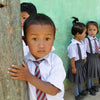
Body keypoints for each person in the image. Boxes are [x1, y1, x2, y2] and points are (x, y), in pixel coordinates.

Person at [8, 14, 66, 100]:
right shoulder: (23, 62)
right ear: (25, 41)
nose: (41, 45)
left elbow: (53, 90)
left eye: (47, 39)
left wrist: (28, 77)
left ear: (53, 40)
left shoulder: (55, 61)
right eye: (35, 39)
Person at [66, 17, 88, 100]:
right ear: (78, 34)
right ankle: (77, 94)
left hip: (81, 64)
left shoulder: (82, 42)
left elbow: (83, 51)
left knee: (80, 79)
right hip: (76, 65)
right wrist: (74, 68)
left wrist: (85, 57)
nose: (85, 35)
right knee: (76, 81)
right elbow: (72, 58)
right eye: (84, 33)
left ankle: (81, 91)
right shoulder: (73, 46)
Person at [84, 21, 100, 95]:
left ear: (97, 30)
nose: (92, 32)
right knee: (89, 73)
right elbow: (84, 50)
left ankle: (92, 85)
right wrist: (85, 58)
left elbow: (98, 48)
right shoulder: (86, 40)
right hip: (89, 57)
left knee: (93, 72)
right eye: (90, 30)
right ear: (86, 30)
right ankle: (89, 87)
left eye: (94, 30)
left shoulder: (96, 39)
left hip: (96, 58)